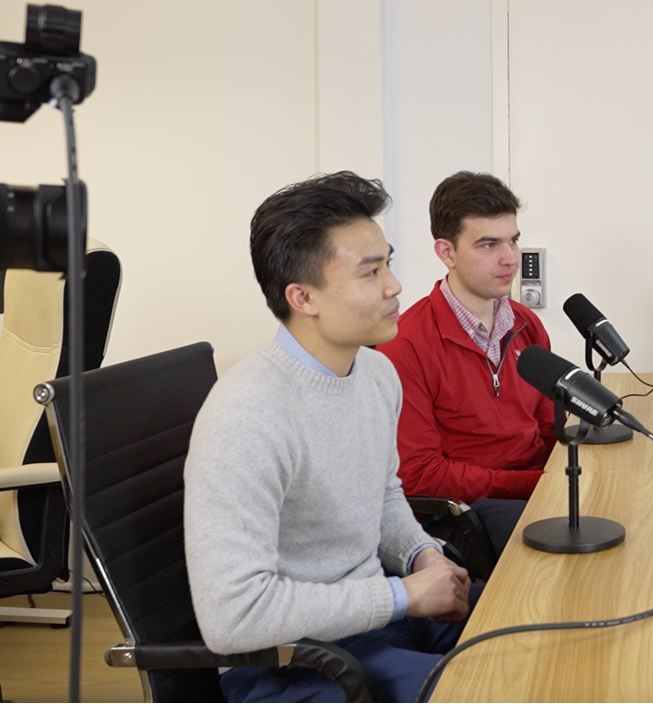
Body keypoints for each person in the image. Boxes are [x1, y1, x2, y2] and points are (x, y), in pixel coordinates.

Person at [185, 172, 477, 703]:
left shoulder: (376, 374)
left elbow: (383, 495)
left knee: (536, 629)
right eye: (371, 272)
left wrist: (421, 556)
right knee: (488, 688)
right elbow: (233, 618)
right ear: (303, 297)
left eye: (388, 264)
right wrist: (402, 595)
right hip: (294, 660)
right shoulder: (246, 415)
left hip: (379, 620)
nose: (394, 286)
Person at [378, 172, 555, 560]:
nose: (510, 258)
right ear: (447, 253)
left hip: (530, 489)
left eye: (513, 240)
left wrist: (568, 476)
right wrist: (537, 483)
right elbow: (421, 474)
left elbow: (547, 425)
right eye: (489, 244)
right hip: (464, 510)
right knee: (562, 555)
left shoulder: (526, 324)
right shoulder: (405, 345)